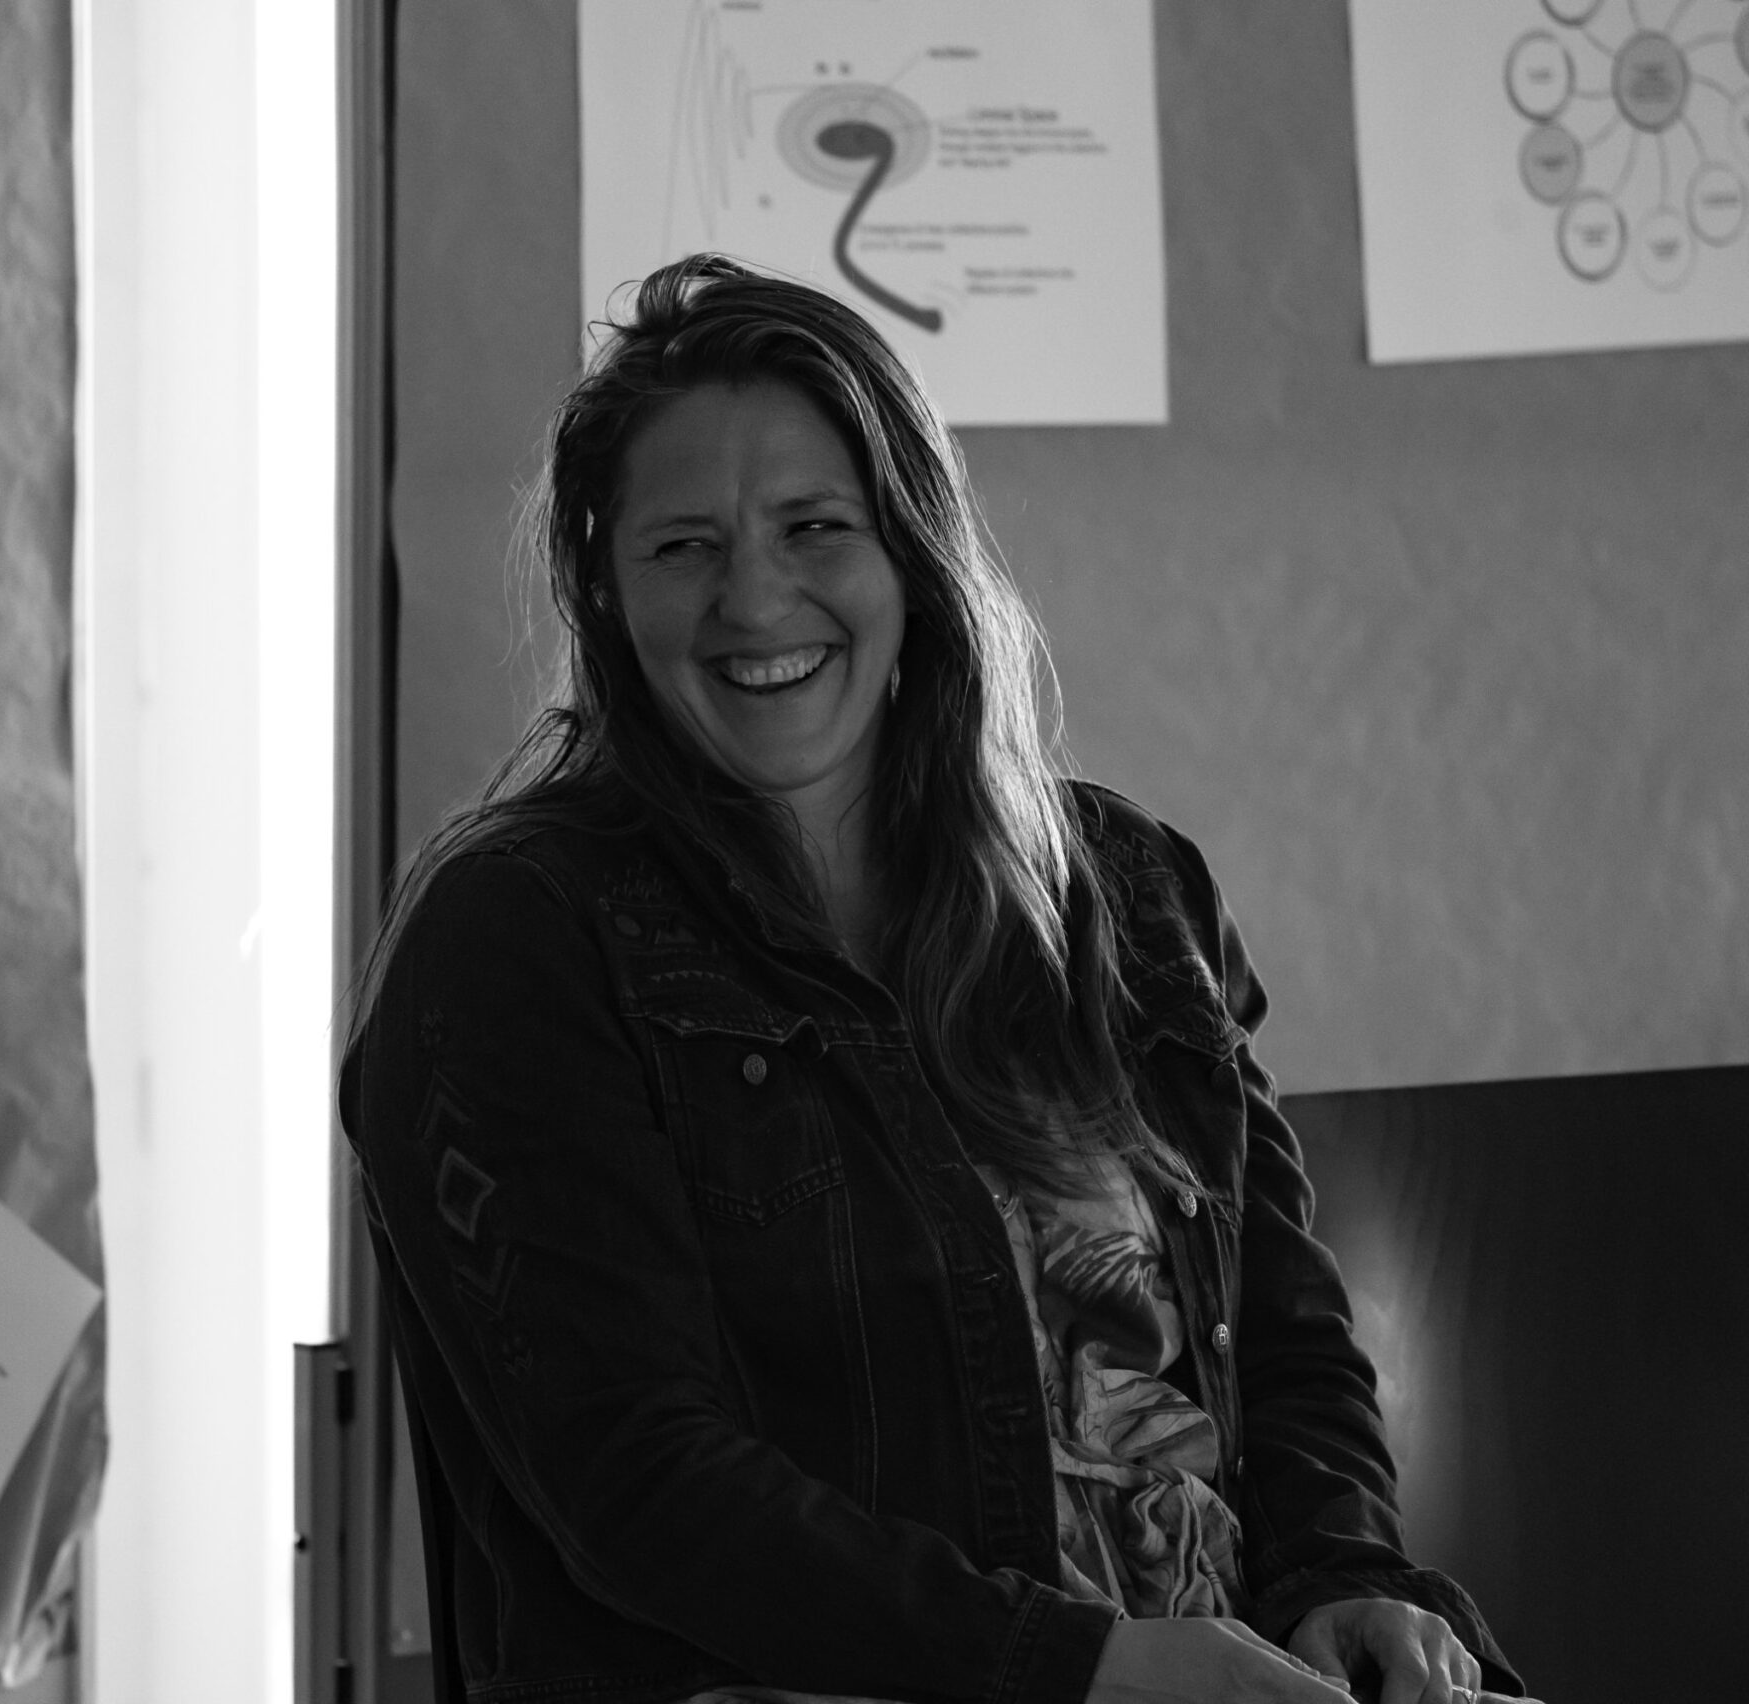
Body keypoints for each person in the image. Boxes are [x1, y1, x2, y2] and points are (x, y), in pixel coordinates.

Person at [337, 255, 1537, 1704]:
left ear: (912, 552)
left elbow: (1277, 1337)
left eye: (814, 527)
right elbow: (635, 1480)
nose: (754, 599)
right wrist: (1086, 1669)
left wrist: (1344, 1578)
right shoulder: (514, 934)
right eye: (683, 546)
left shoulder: (1129, 890)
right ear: (605, 588)